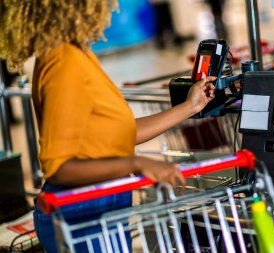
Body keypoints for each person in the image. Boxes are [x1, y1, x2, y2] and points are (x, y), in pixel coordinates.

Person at [0, 1, 215, 252]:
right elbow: (58, 167)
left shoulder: (76, 53)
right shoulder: (63, 61)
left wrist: (189, 106)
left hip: (97, 210)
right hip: (82, 217)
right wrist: (135, 163)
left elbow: (115, 135)